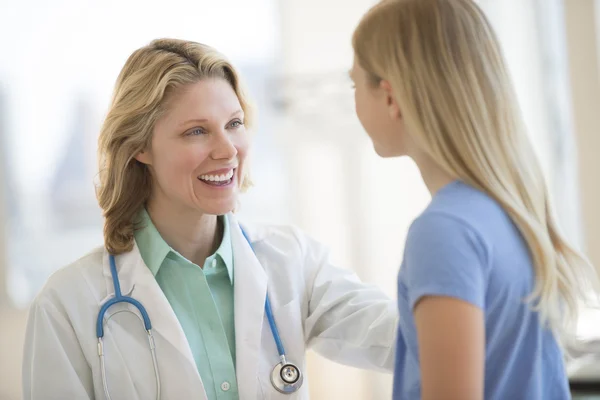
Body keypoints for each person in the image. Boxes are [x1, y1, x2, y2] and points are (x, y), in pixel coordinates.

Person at [22, 38, 397, 400]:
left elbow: (400, 338)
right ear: (138, 146)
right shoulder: (66, 304)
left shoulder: (292, 260)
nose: (227, 149)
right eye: (196, 131)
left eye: (234, 123)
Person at [349, 0, 598, 399]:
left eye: (354, 84)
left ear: (391, 97)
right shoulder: (510, 208)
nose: (354, 100)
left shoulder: (444, 231)